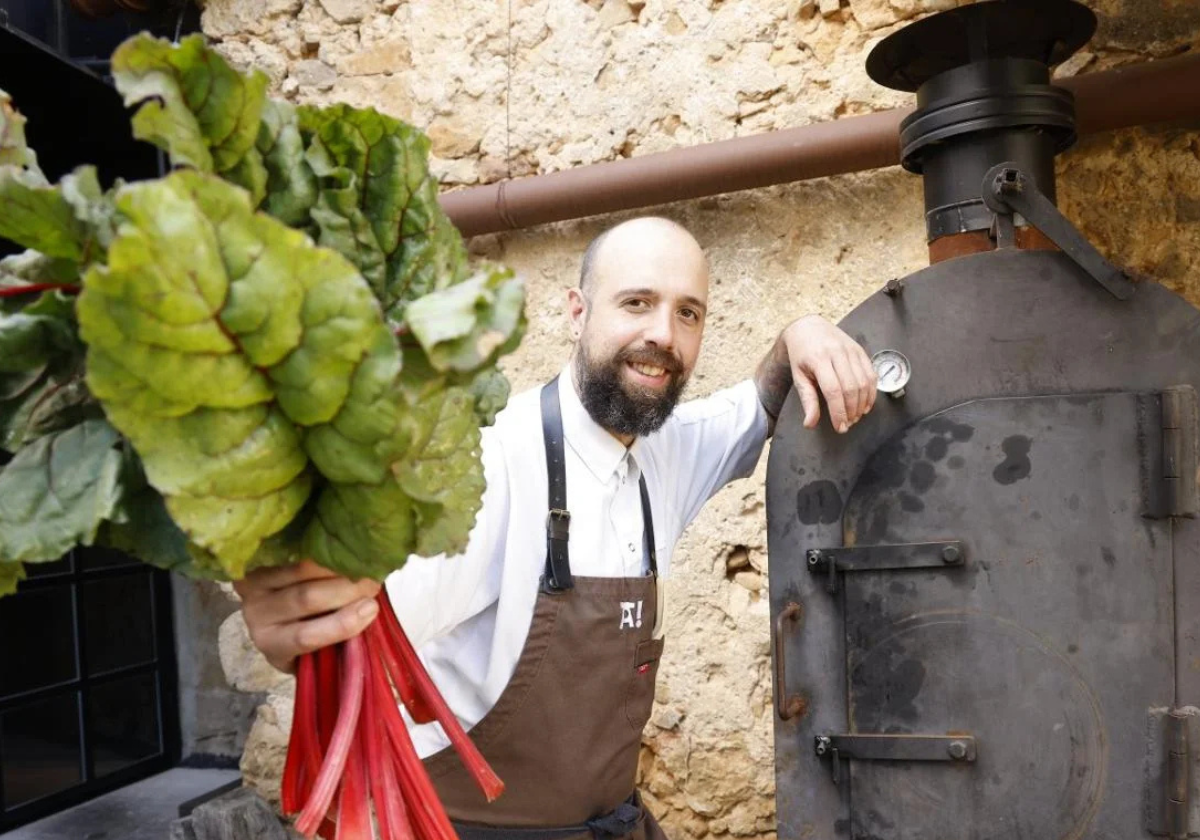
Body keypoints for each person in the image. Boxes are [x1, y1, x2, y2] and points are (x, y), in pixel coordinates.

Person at [235, 217, 876, 840]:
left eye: (688, 313)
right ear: (577, 311)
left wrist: (802, 332)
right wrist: (294, 616)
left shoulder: (667, 451)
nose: (663, 334)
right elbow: (359, 623)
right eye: (636, 302)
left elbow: (757, 404)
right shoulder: (488, 468)